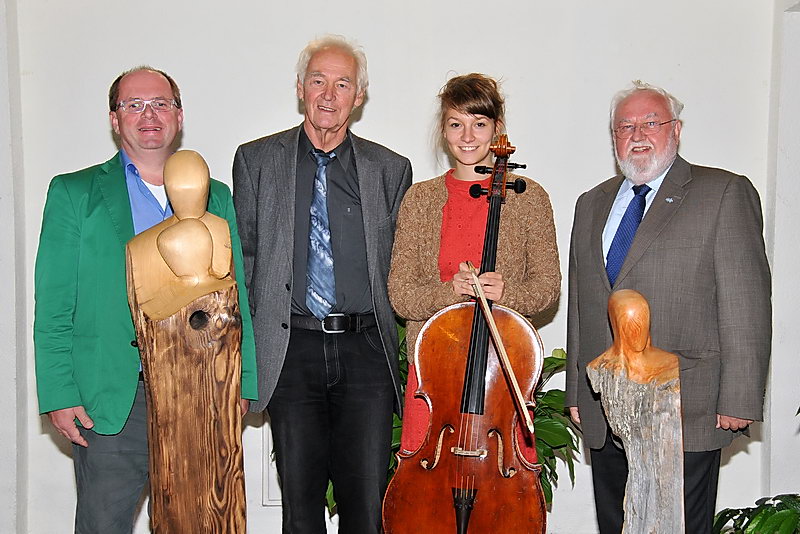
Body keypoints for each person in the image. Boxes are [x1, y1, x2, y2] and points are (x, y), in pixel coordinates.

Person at [33, 66, 257, 534]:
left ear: (179, 115)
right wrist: (59, 393)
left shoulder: (217, 197)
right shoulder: (74, 193)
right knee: (104, 525)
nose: (148, 114)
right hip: (113, 397)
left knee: (199, 523)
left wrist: (244, 381)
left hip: (203, 392)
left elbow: (238, 295)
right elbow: (53, 304)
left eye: (160, 103)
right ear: (115, 119)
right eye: (133, 105)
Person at [566, 81, 772, 534]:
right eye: (625, 126)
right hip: (605, 404)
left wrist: (739, 397)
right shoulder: (591, 203)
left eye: (651, 123)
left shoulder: (723, 192)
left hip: (687, 404)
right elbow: (583, 304)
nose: (637, 134)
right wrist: (578, 392)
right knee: (617, 524)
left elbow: (747, 303)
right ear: (614, 137)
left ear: (675, 130)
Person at [232, 35, 412, 534]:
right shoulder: (256, 161)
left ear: (359, 96)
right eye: (318, 81)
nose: (328, 95)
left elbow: (402, 267)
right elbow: (243, 265)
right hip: (291, 348)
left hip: (366, 351)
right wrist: (243, 364)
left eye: (342, 84)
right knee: (300, 509)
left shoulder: (390, 170)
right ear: (300, 88)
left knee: (367, 509)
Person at [387, 73, 561, 455]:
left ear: (497, 129)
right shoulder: (420, 199)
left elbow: (548, 287)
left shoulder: (529, 198)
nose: (467, 136)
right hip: (433, 373)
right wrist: (449, 291)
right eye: (456, 124)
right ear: (443, 130)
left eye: (479, 124)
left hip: (502, 371)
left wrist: (508, 292)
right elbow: (400, 294)